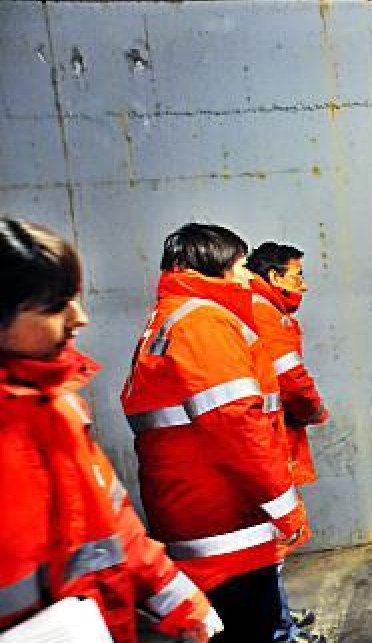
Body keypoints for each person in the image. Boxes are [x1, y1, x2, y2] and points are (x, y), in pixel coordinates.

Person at [0, 217, 220, 642]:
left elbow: (110, 519)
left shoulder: (56, 405)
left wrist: (176, 598)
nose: (78, 318)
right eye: (54, 306)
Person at [122, 223, 308, 642]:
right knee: (250, 627)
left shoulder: (167, 321)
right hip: (228, 525)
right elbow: (237, 425)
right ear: (214, 268)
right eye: (241, 266)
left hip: (193, 515)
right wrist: (286, 508)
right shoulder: (204, 324)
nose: (247, 277)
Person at [246, 241, 328, 643]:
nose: (304, 286)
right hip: (271, 438)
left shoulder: (254, 310)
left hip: (267, 434)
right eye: (297, 275)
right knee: (271, 539)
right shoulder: (265, 314)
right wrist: (315, 410)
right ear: (274, 277)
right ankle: (281, 630)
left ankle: (279, 615)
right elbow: (292, 380)